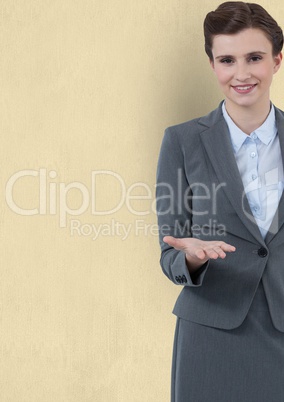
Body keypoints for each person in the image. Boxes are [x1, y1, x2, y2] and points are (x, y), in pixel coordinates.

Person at [156, 2, 284, 401]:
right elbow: (170, 253)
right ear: (212, 64)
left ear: (277, 60)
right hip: (211, 334)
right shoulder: (181, 142)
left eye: (255, 58)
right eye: (227, 59)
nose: (241, 73)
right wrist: (192, 257)